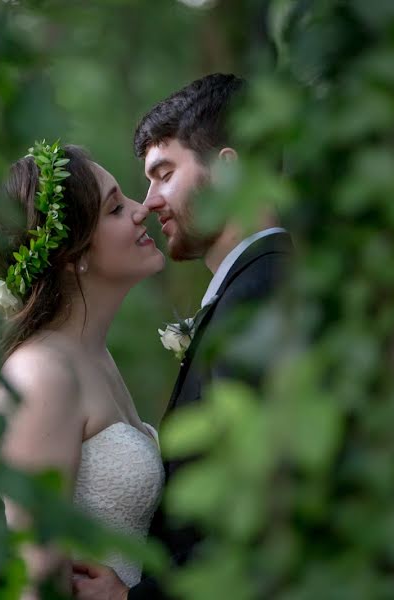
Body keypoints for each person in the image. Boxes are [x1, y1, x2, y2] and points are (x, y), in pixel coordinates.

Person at [71, 73, 294, 600]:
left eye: (163, 174)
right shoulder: (248, 290)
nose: (148, 203)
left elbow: (257, 514)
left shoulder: (264, 293)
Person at [0, 141, 166, 599]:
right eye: (116, 209)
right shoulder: (41, 376)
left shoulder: (94, 356)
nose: (143, 210)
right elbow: (36, 581)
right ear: (71, 254)